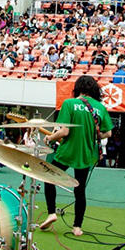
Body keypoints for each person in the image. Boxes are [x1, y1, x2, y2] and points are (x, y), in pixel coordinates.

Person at [39, 75, 113, 237]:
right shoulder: (100, 107)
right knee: (80, 191)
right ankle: (77, 227)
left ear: (77, 88)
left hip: (67, 151)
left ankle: (52, 213)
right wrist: (91, 134)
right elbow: (108, 132)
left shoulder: (69, 104)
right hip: (86, 153)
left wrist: (50, 138)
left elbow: (65, 131)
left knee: (49, 178)